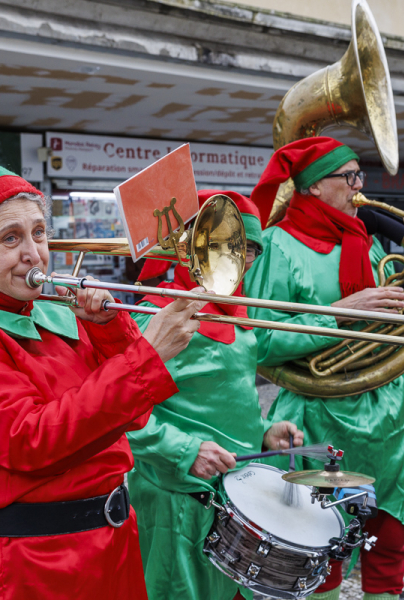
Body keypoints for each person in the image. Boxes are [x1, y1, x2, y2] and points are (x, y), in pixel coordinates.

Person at [0, 152, 205, 599]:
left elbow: (128, 417)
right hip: (26, 564)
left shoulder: (49, 313)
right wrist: (146, 355)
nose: (33, 253)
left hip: (106, 547)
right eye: (10, 238)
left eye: (39, 233)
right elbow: (30, 441)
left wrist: (108, 333)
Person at [246, 137, 404, 600]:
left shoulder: (366, 242)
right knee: (321, 549)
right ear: (313, 187)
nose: (359, 186)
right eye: (348, 176)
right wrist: (338, 312)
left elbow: (396, 345)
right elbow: (257, 338)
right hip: (319, 414)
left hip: (387, 416)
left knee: (390, 542)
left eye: (360, 175)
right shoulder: (277, 245)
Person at [126, 189, 304, 600]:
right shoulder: (154, 316)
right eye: (229, 246)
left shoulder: (238, 317)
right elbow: (113, 412)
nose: (242, 262)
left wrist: (263, 430)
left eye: (251, 251)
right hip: (174, 499)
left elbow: (223, 395)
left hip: (232, 497)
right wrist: (184, 450)